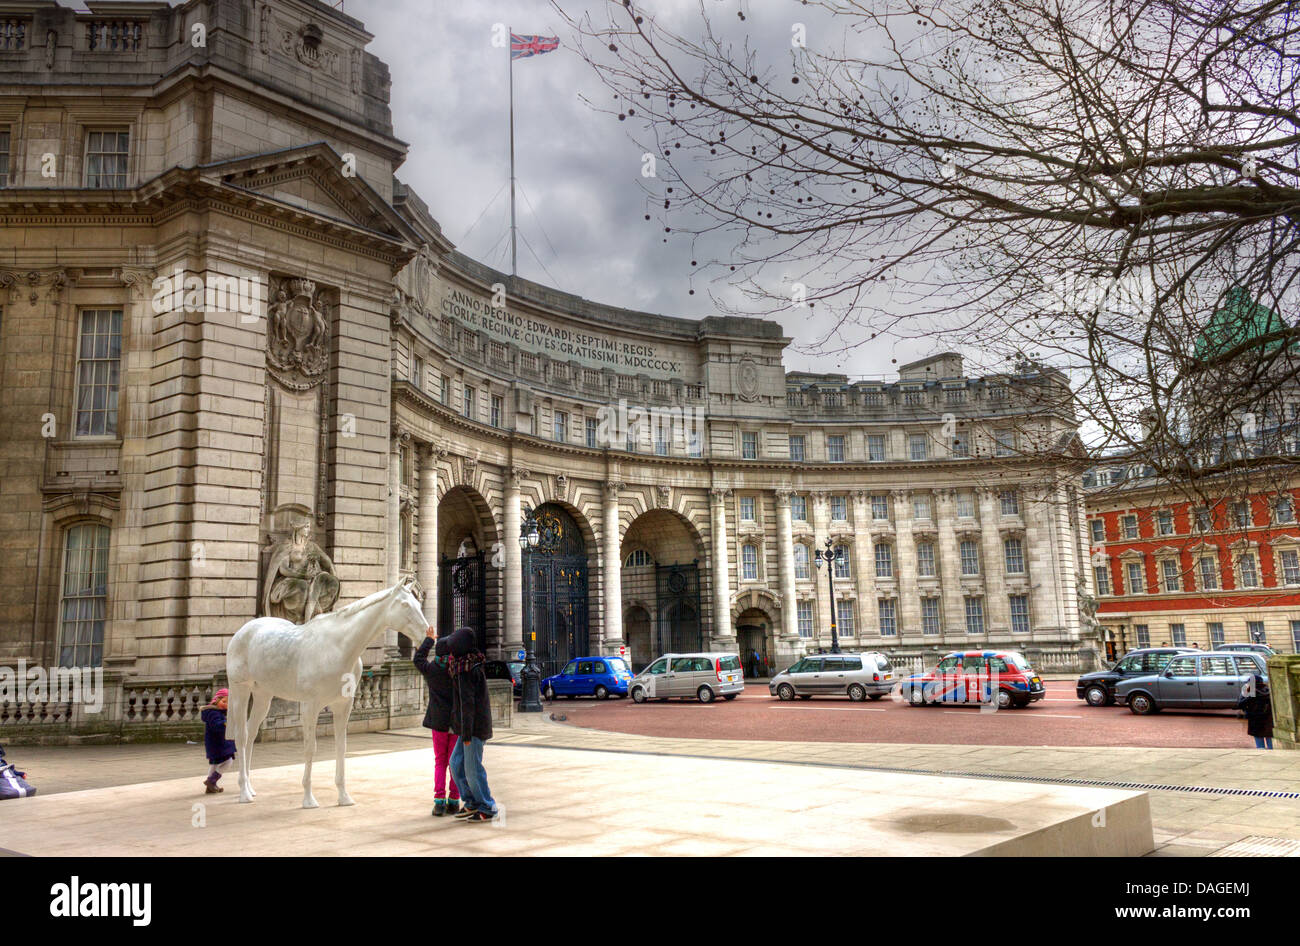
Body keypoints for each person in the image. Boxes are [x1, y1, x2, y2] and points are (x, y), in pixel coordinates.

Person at [446, 627, 498, 822]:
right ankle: (471, 802)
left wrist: (466, 735)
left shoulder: (467, 670)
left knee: (472, 768)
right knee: (455, 763)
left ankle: (487, 805)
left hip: (474, 729)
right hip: (467, 728)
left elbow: (468, 706)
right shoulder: (463, 666)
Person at [412, 627, 461, 816]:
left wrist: (429, 640)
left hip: (439, 723)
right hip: (456, 722)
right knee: (455, 762)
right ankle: (454, 801)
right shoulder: (457, 669)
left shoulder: (432, 669)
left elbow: (418, 659)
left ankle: (439, 802)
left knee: (440, 762)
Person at [201, 688, 236, 794]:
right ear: (216, 700)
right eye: (223, 701)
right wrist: (226, 723)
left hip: (217, 743)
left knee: (215, 764)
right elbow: (217, 726)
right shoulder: (213, 713)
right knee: (228, 761)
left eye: (228, 703)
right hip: (218, 744)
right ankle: (211, 781)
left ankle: (210, 786)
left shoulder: (218, 712)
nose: (225, 704)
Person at [1239, 673, 1274, 749]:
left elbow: (1241, 704)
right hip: (1268, 719)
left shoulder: (1249, 692)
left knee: (1259, 744)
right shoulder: (1268, 691)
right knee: (1270, 739)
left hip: (1255, 719)